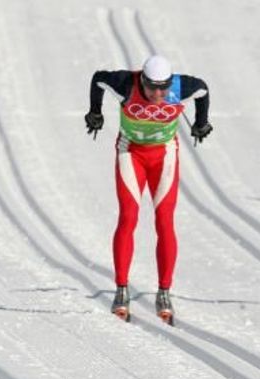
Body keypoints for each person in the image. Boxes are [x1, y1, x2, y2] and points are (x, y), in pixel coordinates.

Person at [84, 55, 213, 323]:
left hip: (163, 155)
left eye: (163, 88)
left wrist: (202, 121)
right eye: (152, 87)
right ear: (142, 80)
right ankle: (121, 289)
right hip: (131, 153)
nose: (157, 94)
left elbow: (203, 89)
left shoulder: (180, 87)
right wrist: (95, 112)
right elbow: (98, 78)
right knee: (128, 217)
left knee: (165, 221)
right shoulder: (125, 83)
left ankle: (164, 292)